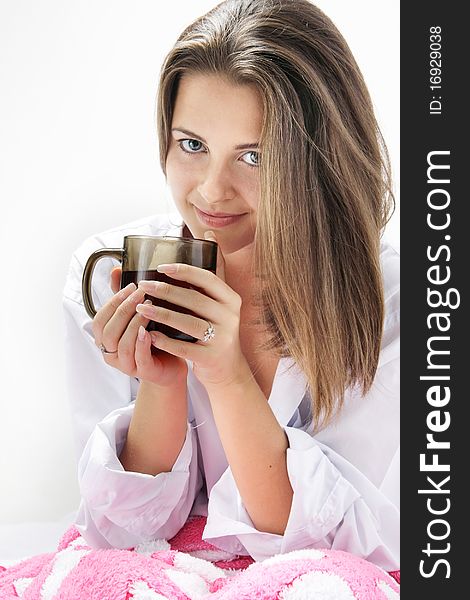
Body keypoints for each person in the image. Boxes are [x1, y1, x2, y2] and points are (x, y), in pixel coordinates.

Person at [63, 0, 399, 572]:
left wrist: (226, 374)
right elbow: (123, 534)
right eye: (192, 145)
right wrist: (161, 384)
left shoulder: (393, 298)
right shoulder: (104, 274)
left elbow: (351, 549)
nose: (212, 192)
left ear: (318, 163)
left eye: (254, 157)